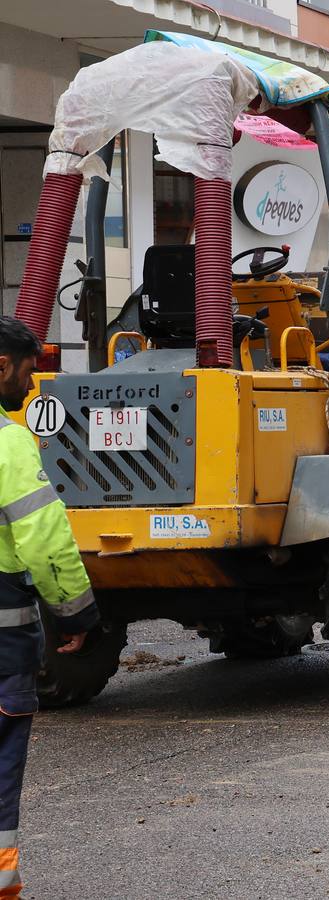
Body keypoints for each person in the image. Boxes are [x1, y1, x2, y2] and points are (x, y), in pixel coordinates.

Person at [0, 318, 100, 898]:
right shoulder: (9, 442)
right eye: (26, 368)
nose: (30, 382)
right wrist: (75, 612)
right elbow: (43, 540)